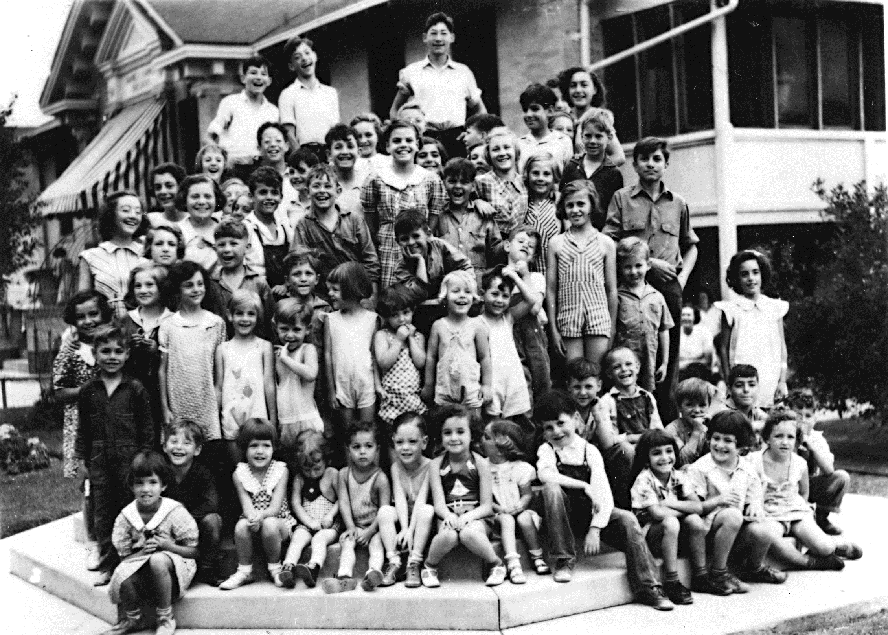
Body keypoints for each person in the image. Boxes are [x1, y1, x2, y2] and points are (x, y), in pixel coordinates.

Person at [533, 391, 674, 610]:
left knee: (627, 519)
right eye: (548, 428)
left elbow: (604, 495)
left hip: (590, 515)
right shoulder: (547, 450)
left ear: (577, 419)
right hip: (561, 516)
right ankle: (564, 559)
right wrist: (583, 485)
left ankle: (648, 586)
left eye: (561, 423)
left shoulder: (590, 451)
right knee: (551, 489)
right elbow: (545, 475)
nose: (556, 431)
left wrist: (596, 528)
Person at [605, 137, 699, 419]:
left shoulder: (678, 203)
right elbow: (609, 241)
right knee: (630, 354)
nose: (650, 164)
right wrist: (650, 263)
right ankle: (629, 416)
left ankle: (666, 422)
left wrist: (680, 281)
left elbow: (691, 244)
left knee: (666, 360)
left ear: (666, 164)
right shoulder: (622, 199)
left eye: (657, 159)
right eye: (644, 159)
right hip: (631, 284)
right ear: (634, 164)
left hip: (667, 289)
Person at [77, 325, 155, 586]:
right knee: (103, 514)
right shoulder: (89, 390)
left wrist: (143, 459)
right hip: (99, 462)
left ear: (127, 354)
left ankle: (133, 565)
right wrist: (81, 460)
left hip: (129, 462)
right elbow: (83, 429)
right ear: (95, 354)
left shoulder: (135, 388)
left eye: (118, 351)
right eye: (105, 351)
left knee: (130, 513)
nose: (112, 357)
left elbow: (147, 428)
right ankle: (110, 565)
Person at [686, 410, 788, 593]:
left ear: (740, 445)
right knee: (732, 515)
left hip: (736, 533)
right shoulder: (700, 469)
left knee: (765, 529)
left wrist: (755, 505)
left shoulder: (746, 469)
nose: (720, 445)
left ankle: (754, 567)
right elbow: (694, 509)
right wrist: (718, 501)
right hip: (707, 534)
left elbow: (755, 493)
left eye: (728, 441)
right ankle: (718, 573)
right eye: (716, 439)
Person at [748, 411, 862, 571]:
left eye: (790, 437)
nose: (785, 442)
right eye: (778, 436)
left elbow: (803, 494)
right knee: (770, 538)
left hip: (795, 512)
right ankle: (809, 562)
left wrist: (805, 514)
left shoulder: (799, 463)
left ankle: (835, 546)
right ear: (767, 438)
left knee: (824, 547)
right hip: (769, 515)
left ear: (796, 440)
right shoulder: (754, 461)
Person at [103, 451, 198, 635]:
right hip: (141, 565)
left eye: (153, 482)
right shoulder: (127, 517)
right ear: (131, 486)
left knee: (158, 561)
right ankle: (133, 619)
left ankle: (165, 617)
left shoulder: (173, 511)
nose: (146, 489)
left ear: (163, 485)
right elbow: (124, 558)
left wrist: (168, 546)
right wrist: (142, 552)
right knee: (123, 575)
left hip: (175, 565)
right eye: (140, 483)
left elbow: (194, 552)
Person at [423, 405, 505, 587]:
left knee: (469, 534)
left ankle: (495, 563)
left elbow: (486, 505)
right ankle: (429, 565)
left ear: (471, 434)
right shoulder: (436, 464)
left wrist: (468, 517)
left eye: (460, 432)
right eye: (447, 433)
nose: (454, 438)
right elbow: (439, 504)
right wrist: (449, 516)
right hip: (448, 516)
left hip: (476, 516)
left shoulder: (481, 463)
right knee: (448, 537)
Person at [362, 118, 446, 287]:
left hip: (419, 247)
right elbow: (370, 221)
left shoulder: (430, 179)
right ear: (387, 146)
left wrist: (423, 243)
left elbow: (433, 218)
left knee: (420, 293)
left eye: (409, 140)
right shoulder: (375, 178)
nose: (403, 145)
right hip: (388, 248)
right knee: (393, 299)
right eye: (397, 141)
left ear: (417, 144)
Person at [390, 12, 486, 160]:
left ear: (451, 37)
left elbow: (479, 109)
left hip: (456, 138)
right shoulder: (411, 72)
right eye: (433, 33)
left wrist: (471, 132)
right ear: (425, 38)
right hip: (425, 138)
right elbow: (395, 109)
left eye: (443, 33)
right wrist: (406, 133)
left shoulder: (463, 72)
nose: (438, 38)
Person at [629, 429, 707, 605]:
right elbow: (657, 513)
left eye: (669, 451)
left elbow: (698, 507)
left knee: (695, 521)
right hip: (651, 538)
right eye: (656, 453)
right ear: (646, 458)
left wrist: (670, 504)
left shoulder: (678, 476)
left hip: (675, 536)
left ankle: (701, 575)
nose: (664, 457)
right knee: (671, 522)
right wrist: (683, 510)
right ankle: (671, 581)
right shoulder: (644, 480)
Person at [547, 180, 617, 366]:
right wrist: (554, 331)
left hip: (599, 319)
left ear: (591, 205)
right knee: (575, 375)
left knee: (596, 373)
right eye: (570, 205)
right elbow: (551, 290)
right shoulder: (556, 243)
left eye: (581, 204)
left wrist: (612, 329)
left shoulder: (606, 243)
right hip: (568, 319)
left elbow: (612, 290)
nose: (575, 210)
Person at [325, 421, 400, 593]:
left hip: (375, 527)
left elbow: (384, 511)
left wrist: (371, 531)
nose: (362, 451)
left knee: (376, 545)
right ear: (348, 450)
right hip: (356, 526)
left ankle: (372, 574)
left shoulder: (380, 478)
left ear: (377, 449)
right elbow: (343, 502)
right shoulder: (344, 474)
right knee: (347, 543)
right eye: (356, 447)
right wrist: (350, 526)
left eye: (368, 446)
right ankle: (344, 578)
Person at [220, 418, 295, 589]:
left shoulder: (280, 470)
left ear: (274, 448)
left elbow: (275, 508)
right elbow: (246, 505)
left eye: (266, 446)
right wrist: (253, 518)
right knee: (240, 526)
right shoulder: (240, 473)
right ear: (244, 448)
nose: (260, 451)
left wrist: (260, 516)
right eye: (254, 446)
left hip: (279, 524)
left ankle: (275, 568)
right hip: (253, 521)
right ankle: (245, 571)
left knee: (269, 524)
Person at [158, 261, 226, 446]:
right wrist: (165, 408)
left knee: (207, 450)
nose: (196, 289)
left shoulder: (215, 323)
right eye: (188, 285)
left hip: (207, 402)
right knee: (180, 446)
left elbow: (219, 371)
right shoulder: (168, 325)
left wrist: (216, 403)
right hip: (178, 400)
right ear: (178, 289)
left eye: (200, 284)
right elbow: (162, 370)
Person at [292, 164, 380, 297]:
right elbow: (298, 262)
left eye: (327, 186)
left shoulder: (354, 220)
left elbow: (371, 261)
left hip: (355, 293)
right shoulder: (303, 226)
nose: (322, 190)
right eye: (316, 186)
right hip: (322, 295)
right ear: (308, 192)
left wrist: (371, 297)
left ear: (338, 191)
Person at [716, 250, 789, 407]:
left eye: (755, 272)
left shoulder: (775, 307)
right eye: (744, 274)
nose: (751, 278)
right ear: (737, 278)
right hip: (742, 380)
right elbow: (723, 349)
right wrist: (730, 383)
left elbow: (782, 346)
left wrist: (782, 381)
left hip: (770, 376)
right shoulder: (731, 309)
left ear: (762, 274)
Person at [480, 419, 548, 583]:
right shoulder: (482, 466)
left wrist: (520, 505)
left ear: (501, 450)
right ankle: (513, 563)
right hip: (498, 517)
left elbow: (527, 494)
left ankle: (537, 556)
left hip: (520, 512)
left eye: (487, 437)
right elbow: (485, 497)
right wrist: (497, 508)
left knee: (525, 518)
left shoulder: (520, 468)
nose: (482, 439)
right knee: (507, 519)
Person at [215, 290, 276, 464]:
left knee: (259, 463)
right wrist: (215, 420)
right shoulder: (223, 349)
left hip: (257, 413)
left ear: (258, 317)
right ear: (229, 315)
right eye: (239, 313)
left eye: (251, 314)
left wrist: (272, 420)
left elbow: (269, 384)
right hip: (231, 414)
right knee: (237, 467)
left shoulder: (263, 347)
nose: (245, 319)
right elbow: (218, 386)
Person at [598, 346, 663, 508]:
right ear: (608, 373)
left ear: (638, 367)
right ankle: (625, 503)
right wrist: (632, 438)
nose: (624, 370)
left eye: (628, 364)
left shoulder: (647, 397)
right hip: (620, 455)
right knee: (628, 450)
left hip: (645, 446)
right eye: (617, 367)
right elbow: (609, 439)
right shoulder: (607, 401)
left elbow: (657, 428)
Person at [54, 291, 110, 480]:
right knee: (87, 480)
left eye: (93, 314)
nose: (88, 321)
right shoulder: (69, 352)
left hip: (110, 420)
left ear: (103, 314)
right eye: (81, 317)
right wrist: (86, 390)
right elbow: (58, 392)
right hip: (80, 424)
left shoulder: (112, 348)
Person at [422, 271, 492, 420]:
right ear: (445, 296)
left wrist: (486, 386)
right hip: (444, 390)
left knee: (473, 425)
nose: (462, 295)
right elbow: (431, 357)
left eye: (467, 292)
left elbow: (485, 357)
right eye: (455, 291)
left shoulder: (476, 326)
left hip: (470, 392)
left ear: (473, 298)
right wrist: (428, 385)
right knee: (443, 423)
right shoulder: (439, 326)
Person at [391, 210, 473, 334]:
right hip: (423, 314)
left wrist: (454, 288)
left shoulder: (441, 247)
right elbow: (420, 294)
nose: (411, 242)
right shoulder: (401, 268)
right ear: (398, 242)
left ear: (428, 234)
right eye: (404, 239)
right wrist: (420, 262)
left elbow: (465, 266)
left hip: (450, 307)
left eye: (416, 236)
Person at [163, 419, 223, 587]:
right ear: (165, 447)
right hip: (169, 527)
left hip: (195, 523)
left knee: (213, 520)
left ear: (197, 450)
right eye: (173, 442)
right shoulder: (161, 472)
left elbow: (212, 503)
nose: (179, 447)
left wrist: (185, 517)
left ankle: (207, 568)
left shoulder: (202, 472)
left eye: (186, 443)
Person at [279, 430, 341, 589]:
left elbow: (342, 500)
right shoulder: (299, 478)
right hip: (308, 522)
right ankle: (288, 566)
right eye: (307, 469)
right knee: (298, 537)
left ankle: (313, 567)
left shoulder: (332, 474)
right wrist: (309, 522)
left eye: (316, 468)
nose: (312, 474)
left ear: (326, 458)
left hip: (329, 525)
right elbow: (296, 504)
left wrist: (330, 516)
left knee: (319, 539)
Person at [566, 357, 632, 504]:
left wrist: (597, 415)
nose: (582, 392)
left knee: (625, 450)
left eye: (588, 387)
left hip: (598, 458)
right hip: (572, 462)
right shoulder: (565, 409)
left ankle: (622, 502)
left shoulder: (601, 405)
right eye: (577, 387)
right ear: (568, 387)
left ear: (599, 386)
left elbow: (608, 444)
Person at [78, 190, 150, 318]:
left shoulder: (148, 253)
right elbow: (82, 303)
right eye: (126, 210)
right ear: (111, 214)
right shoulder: (90, 257)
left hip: (145, 326)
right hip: (107, 328)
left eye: (138, 212)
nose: (133, 216)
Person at [614, 237, 673, 393]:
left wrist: (665, 362)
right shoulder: (617, 297)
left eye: (638, 265)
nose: (633, 272)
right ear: (620, 268)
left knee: (646, 396)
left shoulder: (657, 297)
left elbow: (663, 329)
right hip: (623, 364)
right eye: (628, 267)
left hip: (648, 360)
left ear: (648, 265)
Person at [788, 388, 850, 535]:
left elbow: (829, 470)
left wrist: (811, 446)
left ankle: (822, 518)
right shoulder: (783, 435)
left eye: (808, 416)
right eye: (797, 415)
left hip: (809, 484)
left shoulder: (816, 439)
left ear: (815, 419)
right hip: (788, 485)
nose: (802, 420)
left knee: (842, 478)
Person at [324, 262, 378, 429]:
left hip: (366, 383)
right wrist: (332, 390)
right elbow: (327, 355)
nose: (330, 293)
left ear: (351, 289)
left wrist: (378, 386)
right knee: (347, 434)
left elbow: (374, 355)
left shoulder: (372, 319)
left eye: (335, 289)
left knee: (368, 430)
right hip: (342, 385)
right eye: (329, 289)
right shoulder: (331, 319)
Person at [121, 264, 173, 435]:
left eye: (150, 285)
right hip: (132, 392)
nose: (143, 290)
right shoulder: (126, 320)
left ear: (162, 287)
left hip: (164, 394)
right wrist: (129, 348)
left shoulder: (172, 320)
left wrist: (156, 352)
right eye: (138, 286)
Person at [434, 157, 502, 288]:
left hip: (478, 286)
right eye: (452, 181)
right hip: (447, 286)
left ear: (473, 186)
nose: (458, 186)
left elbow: (496, 253)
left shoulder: (483, 215)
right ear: (444, 183)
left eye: (464, 182)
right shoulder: (438, 216)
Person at [478, 266, 531, 422]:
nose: (499, 300)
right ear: (482, 294)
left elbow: (531, 300)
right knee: (493, 423)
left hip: (512, 378)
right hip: (492, 380)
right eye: (494, 294)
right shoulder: (477, 323)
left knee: (514, 424)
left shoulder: (507, 318)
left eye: (505, 296)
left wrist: (515, 278)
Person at [206, 55, 279, 170]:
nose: (258, 77)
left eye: (263, 74)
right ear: (243, 78)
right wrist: (224, 158)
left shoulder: (273, 111)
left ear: (269, 81)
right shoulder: (230, 103)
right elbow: (209, 137)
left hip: (262, 167)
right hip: (235, 166)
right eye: (253, 73)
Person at [504, 226, 550, 404]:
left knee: (540, 377)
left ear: (534, 256)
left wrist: (523, 275)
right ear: (507, 246)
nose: (525, 246)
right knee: (519, 383)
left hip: (532, 336)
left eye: (531, 246)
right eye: (521, 241)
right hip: (509, 336)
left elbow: (534, 308)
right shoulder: (499, 276)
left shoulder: (536, 277)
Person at [388, 413, 435, 588]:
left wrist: (410, 530)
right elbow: (399, 498)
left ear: (424, 442)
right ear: (393, 441)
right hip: (404, 522)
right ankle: (393, 561)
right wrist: (405, 529)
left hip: (422, 525)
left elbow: (422, 500)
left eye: (412, 442)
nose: (405, 448)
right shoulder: (395, 467)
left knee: (427, 510)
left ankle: (414, 562)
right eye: (400, 442)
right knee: (385, 512)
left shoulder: (430, 466)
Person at [208, 219, 274, 339]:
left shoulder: (258, 283)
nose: (227, 249)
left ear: (247, 248)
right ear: (215, 248)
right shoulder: (210, 283)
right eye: (221, 244)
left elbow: (269, 322)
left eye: (233, 244)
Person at [560, 109, 624, 228]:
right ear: (582, 137)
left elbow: (615, 212)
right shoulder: (572, 167)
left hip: (602, 235)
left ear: (609, 138)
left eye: (598, 136)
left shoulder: (613, 173)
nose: (592, 141)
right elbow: (562, 202)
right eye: (588, 136)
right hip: (573, 232)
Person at [278, 36, 340, 158]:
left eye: (307, 53)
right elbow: (289, 134)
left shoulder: (330, 93)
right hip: (304, 153)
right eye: (297, 57)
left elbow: (335, 130)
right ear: (291, 66)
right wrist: (301, 158)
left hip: (328, 153)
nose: (304, 58)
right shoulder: (288, 94)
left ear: (315, 56)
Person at [274, 300, 324, 451]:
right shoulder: (277, 354)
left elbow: (310, 374)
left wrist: (286, 359)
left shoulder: (307, 349)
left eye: (296, 329)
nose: (290, 335)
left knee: (310, 458)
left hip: (306, 419)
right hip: (286, 421)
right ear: (276, 327)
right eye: (284, 329)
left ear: (307, 329)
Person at [374, 286, 427, 428]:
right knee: (393, 437)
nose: (402, 319)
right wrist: (398, 340)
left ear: (413, 311)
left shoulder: (418, 337)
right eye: (395, 315)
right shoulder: (383, 336)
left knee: (413, 432)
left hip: (412, 397)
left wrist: (410, 339)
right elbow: (383, 363)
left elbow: (420, 363)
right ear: (386, 316)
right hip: (392, 398)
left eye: (406, 312)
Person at [243, 166, 293, 288]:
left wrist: (286, 285)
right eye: (263, 192)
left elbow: (295, 263)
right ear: (251, 196)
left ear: (281, 197)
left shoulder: (285, 228)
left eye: (274, 192)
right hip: (256, 291)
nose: (269, 197)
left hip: (285, 291)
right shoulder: (245, 228)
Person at [474, 127, 527, 237]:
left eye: (507, 147)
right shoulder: (481, 181)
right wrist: (476, 202)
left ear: (516, 151)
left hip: (518, 245)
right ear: (488, 154)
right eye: (496, 149)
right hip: (490, 244)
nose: (502, 153)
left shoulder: (524, 182)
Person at [522, 153, 562, 279]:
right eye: (535, 173)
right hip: (526, 273)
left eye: (546, 174)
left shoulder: (559, 204)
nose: (540, 178)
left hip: (555, 274)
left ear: (554, 177)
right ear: (527, 175)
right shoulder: (522, 203)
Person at [516, 83, 573, 172]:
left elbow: (568, 177)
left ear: (550, 111)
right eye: (525, 110)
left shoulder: (563, 141)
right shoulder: (518, 144)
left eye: (535, 109)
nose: (529, 114)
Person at [177, 175, 223, 275]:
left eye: (207, 196)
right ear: (185, 199)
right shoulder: (176, 231)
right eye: (195, 196)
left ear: (216, 199)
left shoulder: (225, 228)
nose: (202, 202)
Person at [325, 124, 372, 220]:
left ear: (359, 152)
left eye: (350, 146)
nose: (345, 152)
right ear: (329, 154)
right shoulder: (324, 185)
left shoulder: (368, 182)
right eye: (338, 147)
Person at [665, 378, 712, 466]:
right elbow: (683, 461)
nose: (697, 410)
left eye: (702, 405)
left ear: (709, 405)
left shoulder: (710, 426)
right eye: (689, 405)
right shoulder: (671, 430)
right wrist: (696, 431)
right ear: (679, 407)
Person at [721, 364, 768, 445]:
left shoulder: (756, 411)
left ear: (758, 387)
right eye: (739, 385)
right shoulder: (721, 412)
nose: (746, 390)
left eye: (752, 385)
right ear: (729, 389)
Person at [678, 304, 716, 376]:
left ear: (694, 317)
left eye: (688, 315)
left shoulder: (704, 332)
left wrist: (687, 364)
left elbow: (708, 360)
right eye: (683, 315)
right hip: (681, 372)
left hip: (700, 371)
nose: (685, 318)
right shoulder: (676, 334)